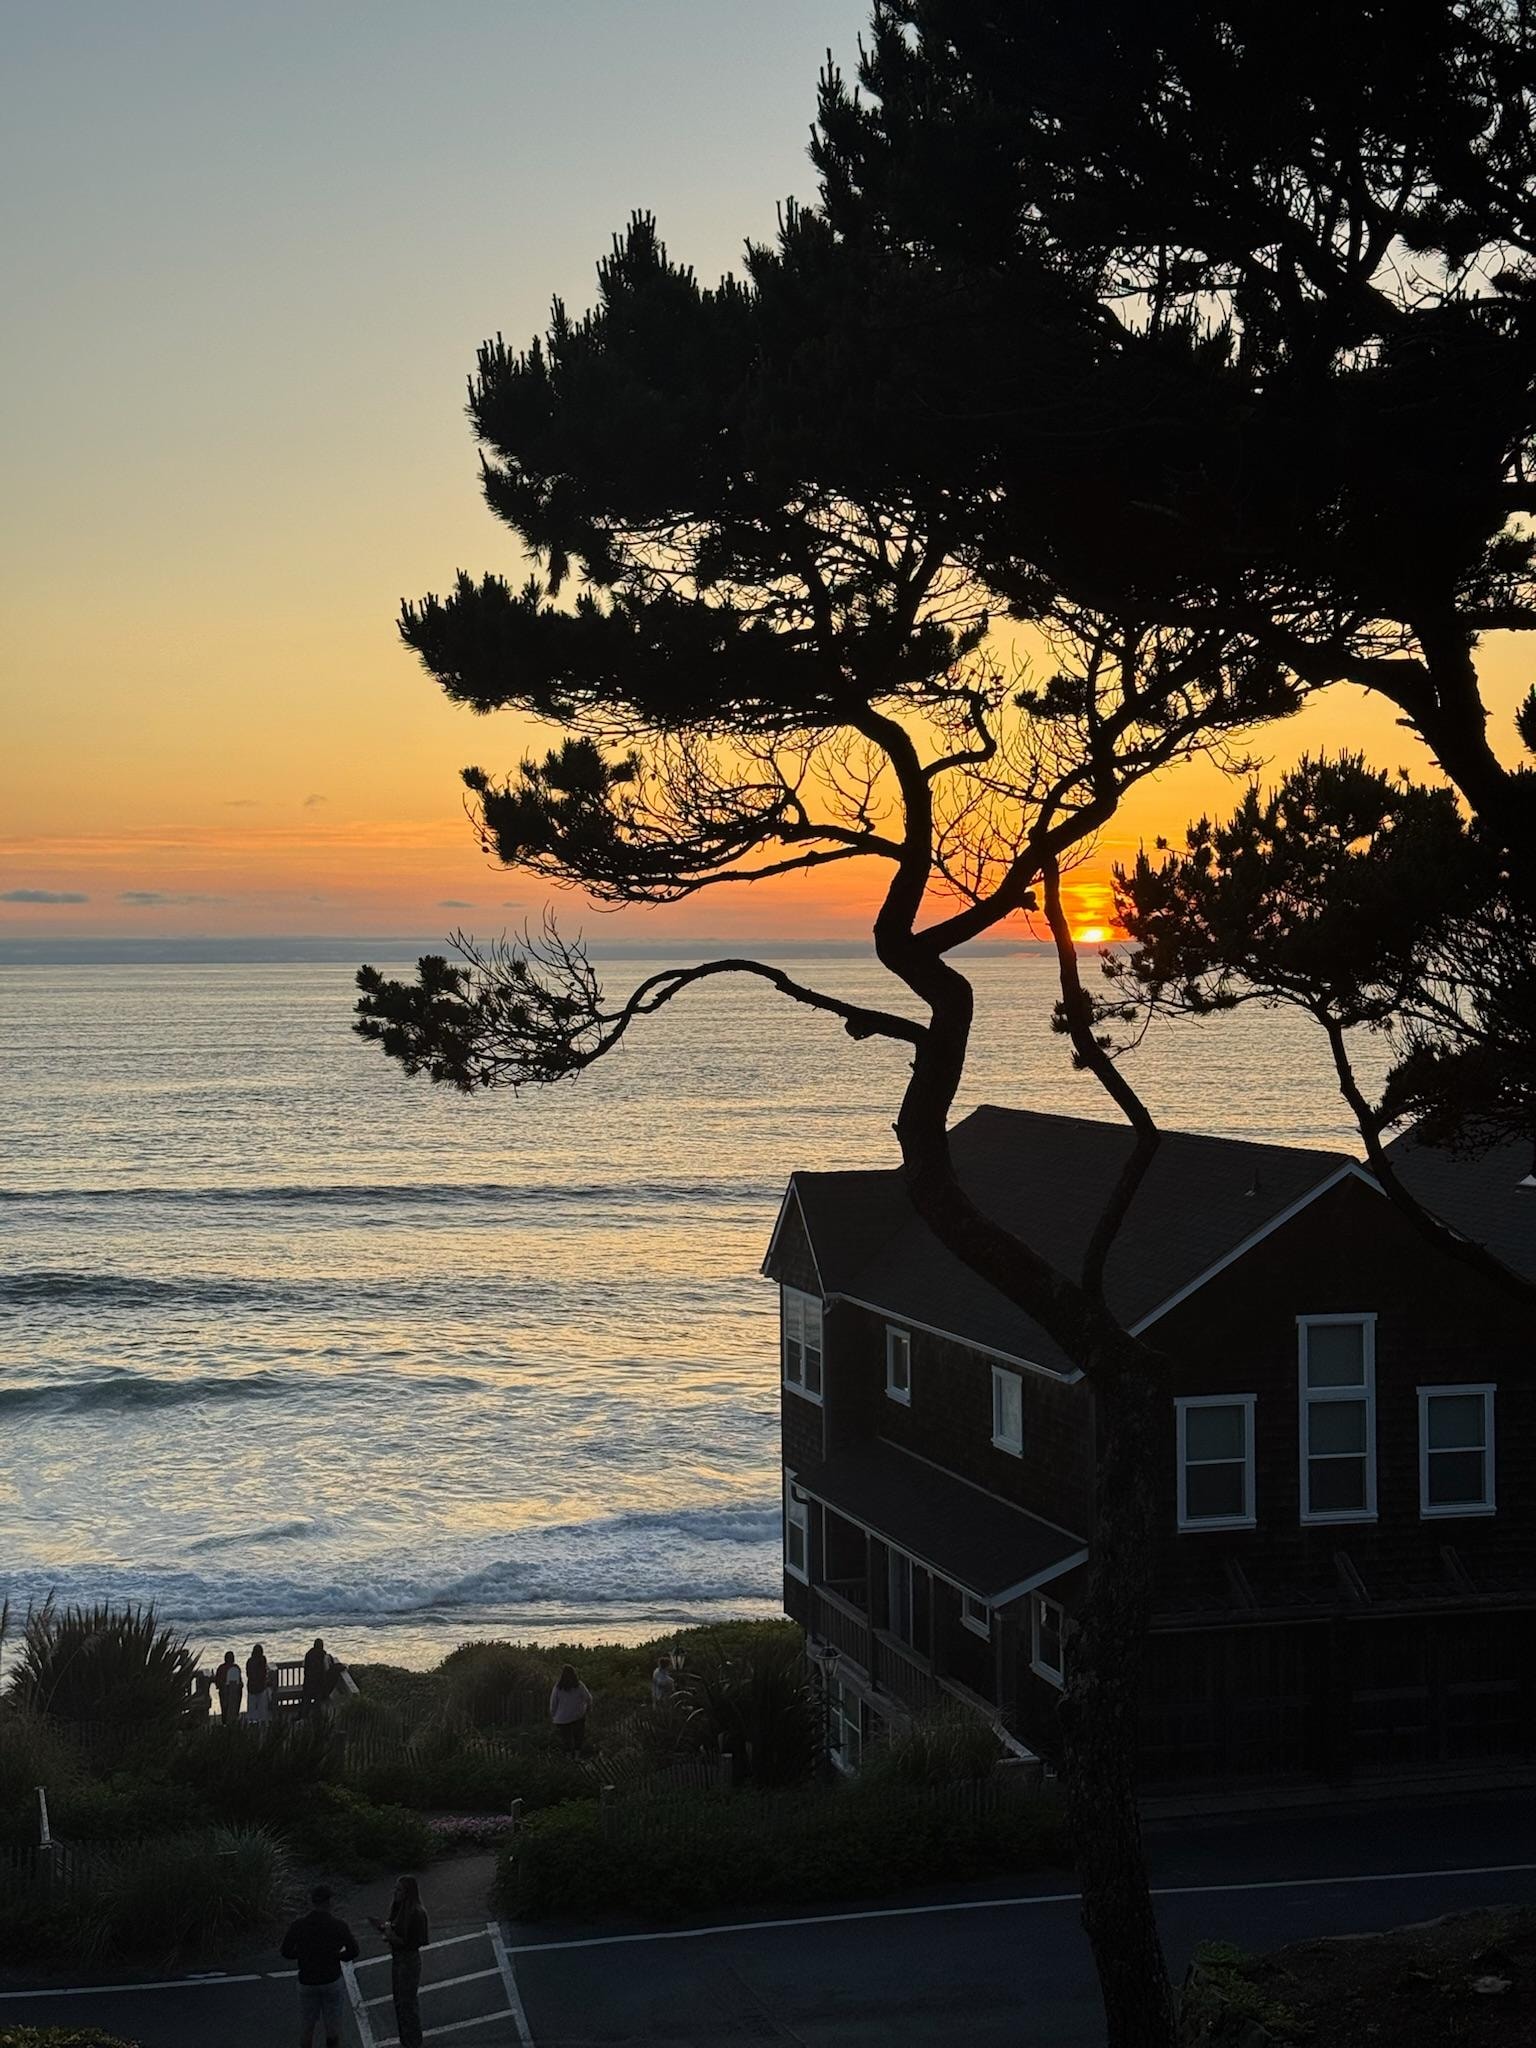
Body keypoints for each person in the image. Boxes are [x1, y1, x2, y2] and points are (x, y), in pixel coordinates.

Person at [280, 1883, 360, 2048]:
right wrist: (337, 1956)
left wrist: (302, 1954)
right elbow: (353, 1951)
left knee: (307, 2025)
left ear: (312, 1902)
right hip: (331, 1978)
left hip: (307, 1980)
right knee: (332, 2026)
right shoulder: (338, 1925)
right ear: (329, 1902)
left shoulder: (298, 1925)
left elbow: (286, 1951)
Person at [369, 1874, 430, 2048]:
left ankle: (413, 2042)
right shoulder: (399, 1908)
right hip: (399, 1959)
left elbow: (415, 1941)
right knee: (400, 2002)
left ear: (408, 1892)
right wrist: (385, 1929)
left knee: (407, 2003)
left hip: (408, 1960)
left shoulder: (416, 1913)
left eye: (399, 1890)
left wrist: (391, 1936)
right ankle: (407, 2041)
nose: (395, 1892)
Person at [549, 1663, 593, 1753]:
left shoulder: (558, 1687)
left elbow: (553, 1703)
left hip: (562, 1718)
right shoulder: (579, 1685)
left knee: (566, 1739)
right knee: (578, 1737)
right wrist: (588, 1709)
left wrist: (553, 1715)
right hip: (578, 1716)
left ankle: (568, 1756)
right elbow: (588, 1698)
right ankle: (577, 1755)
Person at [302, 1636, 330, 1714]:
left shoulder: (308, 1654)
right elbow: (326, 1668)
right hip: (319, 1683)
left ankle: (304, 1715)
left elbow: (304, 1666)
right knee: (318, 1700)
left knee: (306, 1700)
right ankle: (316, 1716)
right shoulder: (323, 1655)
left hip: (308, 1682)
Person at [214, 1650, 243, 1725]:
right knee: (234, 1709)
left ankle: (225, 1724)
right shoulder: (236, 1668)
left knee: (225, 1710)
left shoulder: (221, 1668)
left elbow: (218, 1683)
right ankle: (234, 1722)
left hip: (225, 1693)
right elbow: (240, 1683)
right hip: (236, 1694)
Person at [245, 1642, 271, 1725]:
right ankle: (262, 1721)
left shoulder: (249, 1661)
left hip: (252, 1687)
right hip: (261, 1687)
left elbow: (248, 1674)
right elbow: (263, 1673)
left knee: (252, 1707)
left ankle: (252, 1721)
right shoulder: (262, 1660)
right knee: (262, 1706)